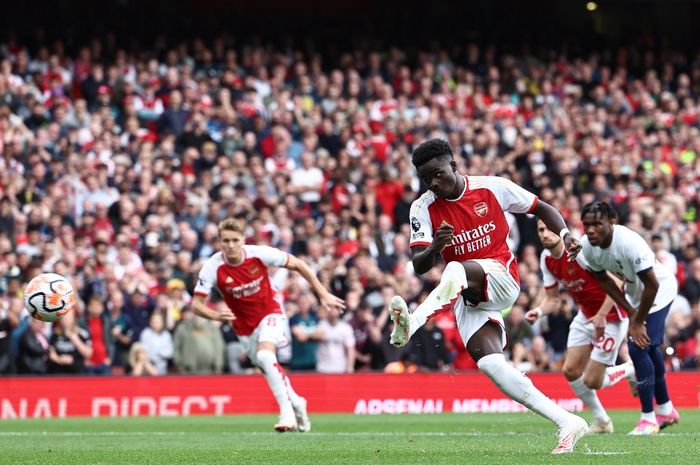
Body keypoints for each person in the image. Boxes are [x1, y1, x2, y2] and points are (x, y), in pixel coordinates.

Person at [389, 139, 588, 454]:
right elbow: (419, 265)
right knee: (492, 364)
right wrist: (436, 247)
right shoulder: (422, 207)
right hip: (471, 297)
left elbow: (542, 208)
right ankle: (566, 421)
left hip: (502, 278)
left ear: (454, 166)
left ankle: (411, 323)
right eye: (426, 179)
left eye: (438, 174)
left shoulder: (492, 187)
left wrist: (565, 235)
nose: (433, 183)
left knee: (455, 269)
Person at [191, 218, 345, 432]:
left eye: (235, 240)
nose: (231, 245)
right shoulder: (213, 267)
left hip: (270, 312)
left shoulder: (259, 253)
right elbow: (196, 305)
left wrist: (322, 293)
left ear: (243, 240)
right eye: (226, 240)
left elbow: (299, 264)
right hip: (243, 327)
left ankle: (287, 412)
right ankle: (298, 402)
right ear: (220, 242)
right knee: (267, 366)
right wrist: (215, 316)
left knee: (265, 356)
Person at [525, 219, 636, 433]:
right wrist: (538, 312)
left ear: (560, 231)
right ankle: (603, 421)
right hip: (585, 315)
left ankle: (631, 369)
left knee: (595, 380)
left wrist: (602, 315)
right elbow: (552, 298)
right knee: (571, 371)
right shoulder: (546, 258)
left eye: (549, 228)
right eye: (540, 230)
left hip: (611, 315)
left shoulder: (580, 251)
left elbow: (618, 280)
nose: (545, 234)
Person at [580, 201, 680, 435]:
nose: (591, 230)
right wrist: (631, 312)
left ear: (612, 221)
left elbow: (652, 285)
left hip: (660, 292)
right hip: (637, 296)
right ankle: (666, 409)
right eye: (587, 225)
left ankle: (648, 419)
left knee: (637, 348)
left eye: (597, 224)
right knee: (650, 348)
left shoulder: (630, 243)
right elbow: (604, 280)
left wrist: (636, 322)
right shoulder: (587, 246)